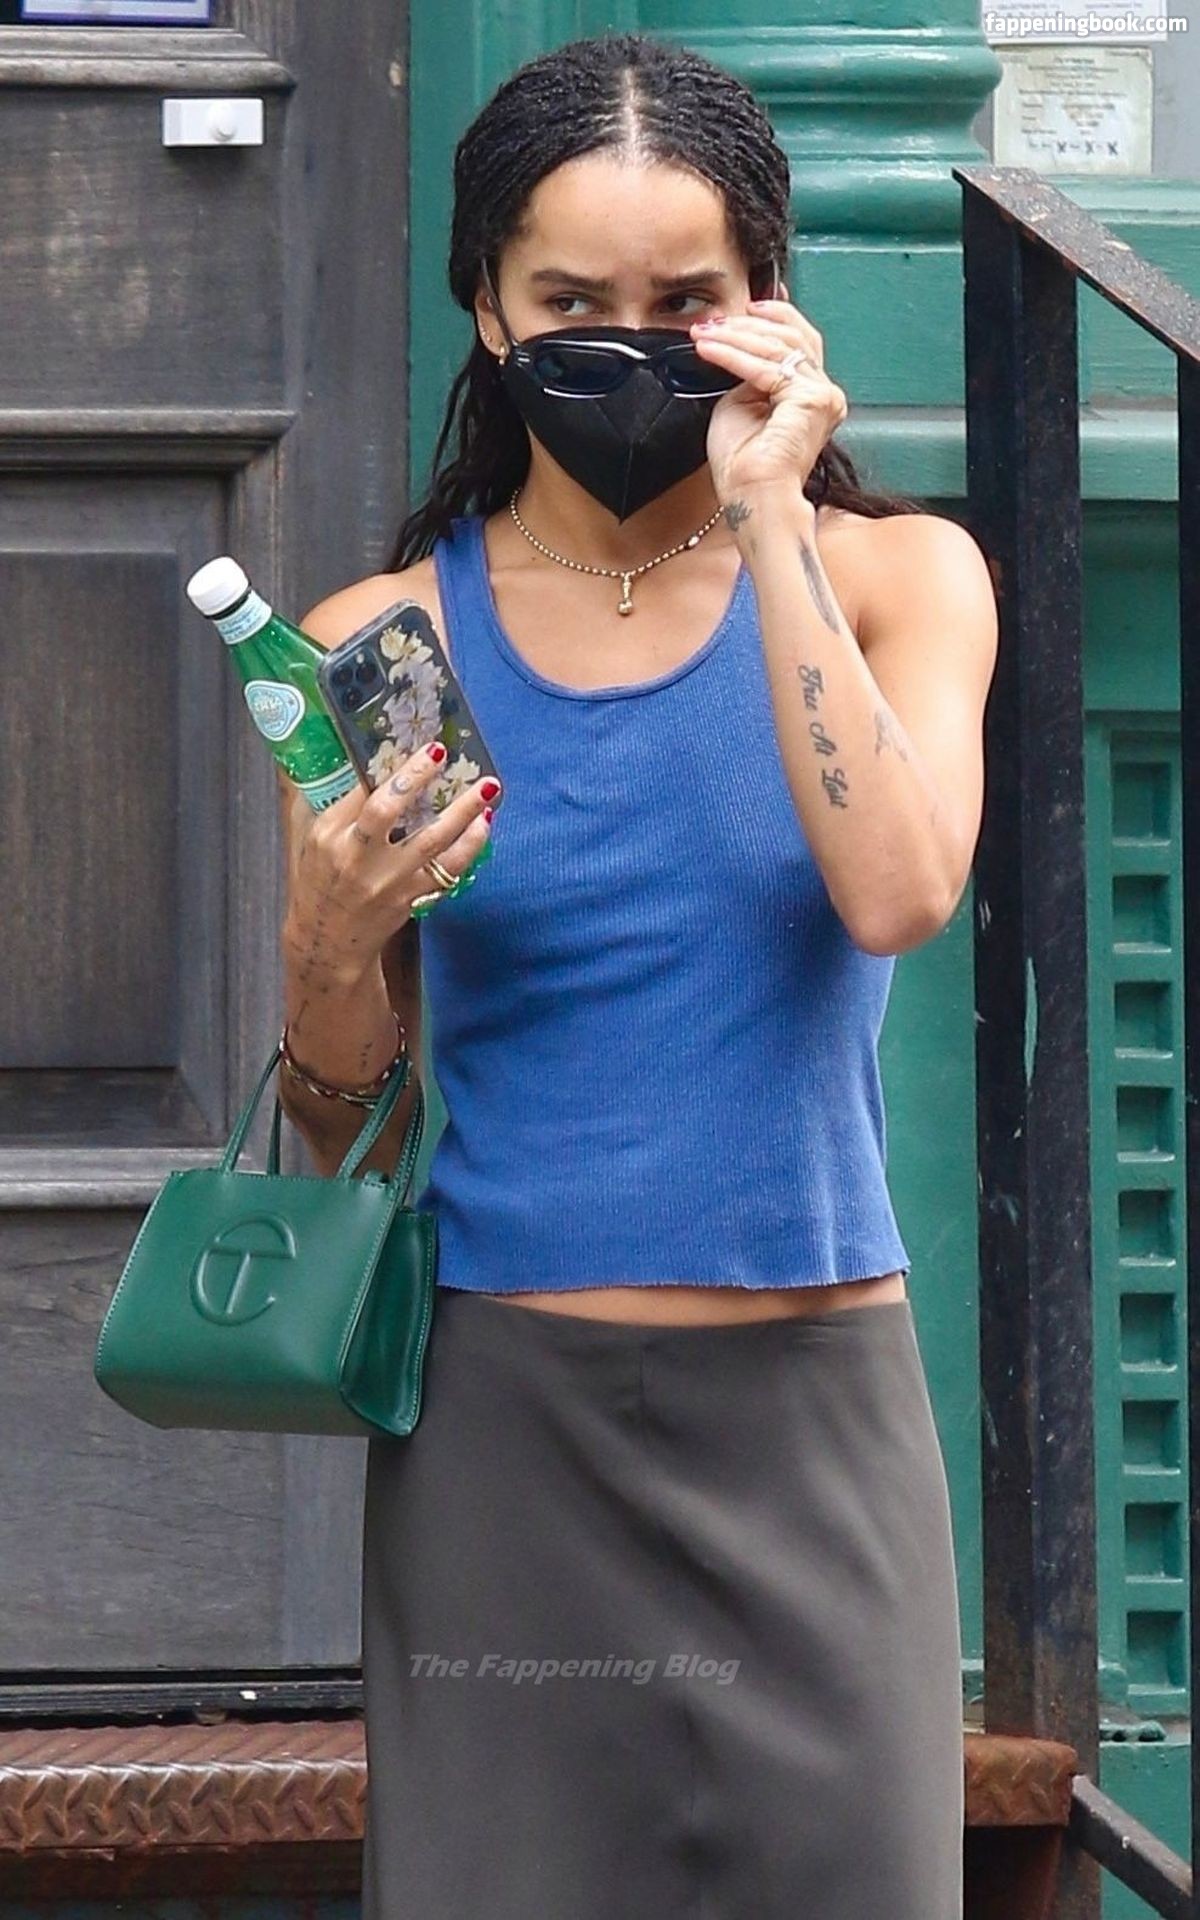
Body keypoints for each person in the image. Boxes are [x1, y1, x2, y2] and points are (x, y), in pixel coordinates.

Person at [275, 29, 998, 1920]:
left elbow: (898, 893)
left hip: (817, 1430)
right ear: (488, 310)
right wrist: (326, 941)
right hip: (508, 1441)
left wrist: (771, 515)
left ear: (769, 303)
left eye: (686, 301)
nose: (629, 343)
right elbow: (348, 1128)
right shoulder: (388, 646)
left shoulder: (904, 579)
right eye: (570, 303)